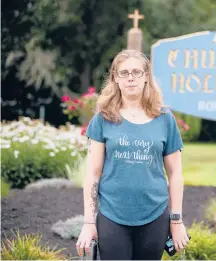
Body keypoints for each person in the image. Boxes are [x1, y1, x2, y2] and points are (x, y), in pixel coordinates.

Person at [75, 49, 189, 260]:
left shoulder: (165, 119)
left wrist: (176, 221)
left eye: (136, 72)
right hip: (112, 215)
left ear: (146, 77)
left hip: (155, 216)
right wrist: (89, 223)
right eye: (124, 73)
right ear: (115, 79)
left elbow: (175, 174)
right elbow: (93, 173)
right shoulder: (103, 119)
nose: (130, 78)